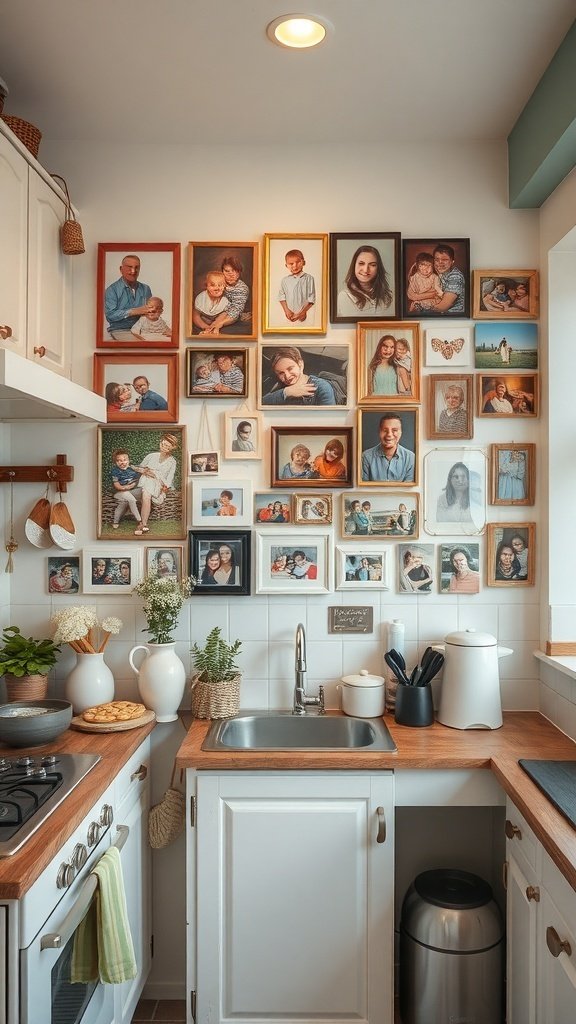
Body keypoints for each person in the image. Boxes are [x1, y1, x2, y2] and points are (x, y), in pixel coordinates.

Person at [131, 432, 179, 536]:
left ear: (172, 447)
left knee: (146, 492)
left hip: (159, 484)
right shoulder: (151, 456)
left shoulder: (172, 462)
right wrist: (145, 471)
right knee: (146, 492)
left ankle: (142, 524)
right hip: (145, 481)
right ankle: (143, 524)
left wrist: (164, 487)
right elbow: (140, 468)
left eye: (167, 446)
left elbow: (169, 479)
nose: (163, 447)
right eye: (162, 444)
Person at [193, 256, 250, 335]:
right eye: (227, 271)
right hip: (210, 309)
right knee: (196, 312)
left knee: (225, 313)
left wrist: (219, 324)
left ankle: (210, 329)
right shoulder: (219, 279)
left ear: (239, 272)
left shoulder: (242, 289)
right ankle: (206, 327)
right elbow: (208, 289)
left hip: (226, 313)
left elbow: (235, 310)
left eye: (234, 271)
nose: (231, 274)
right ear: (222, 271)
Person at [262, 346, 335, 406]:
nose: (287, 376)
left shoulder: (322, 387)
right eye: (281, 373)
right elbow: (260, 403)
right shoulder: (279, 387)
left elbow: (328, 418)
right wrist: (286, 392)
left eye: (290, 368)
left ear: (300, 365)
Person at [105, 254, 152, 340]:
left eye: (136, 267)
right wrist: (133, 311)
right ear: (121, 269)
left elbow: (150, 313)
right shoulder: (112, 289)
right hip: (121, 330)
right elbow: (110, 315)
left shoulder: (146, 288)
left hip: (143, 330)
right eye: (129, 267)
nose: (133, 271)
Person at [337, 245, 393, 317]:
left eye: (372, 265)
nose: (366, 270)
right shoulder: (345, 296)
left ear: (378, 268)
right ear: (354, 265)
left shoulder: (388, 296)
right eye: (361, 263)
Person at [361, 413, 415, 483]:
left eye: (394, 430)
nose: (389, 434)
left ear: (401, 432)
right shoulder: (366, 457)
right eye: (385, 430)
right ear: (379, 432)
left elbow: (409, 491)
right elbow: (363, 490)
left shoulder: (411, 458)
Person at [278, 249, 316, 323]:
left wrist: (300, 314)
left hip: (303, 317)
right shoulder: (285, 280)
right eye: (291, 264)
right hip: (289, 316)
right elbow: (281, 296)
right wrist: (287, 311)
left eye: (298, 262)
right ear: (286, 265)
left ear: (303, 263)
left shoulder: (309, 278)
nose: (295, 266)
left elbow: (311, 299)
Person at [111, 448, 143, 529]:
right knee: (131, 500)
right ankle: (140, 521)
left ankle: (116, 521)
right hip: (119, 492)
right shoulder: (115, 471)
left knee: (124, 503)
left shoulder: (132, 470)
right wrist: (125, 487)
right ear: (116, 462)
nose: (122, 462)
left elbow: (136, 481)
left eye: (125, 460)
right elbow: (116, 485)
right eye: (119, 461)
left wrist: (133, 485)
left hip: (130, 491)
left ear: (128, 460)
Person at [430, 244, 465, 314]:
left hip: (452, 317)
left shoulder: (455, 277)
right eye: (437, 259)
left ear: (452, 261)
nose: (440, 263)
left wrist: (423, 308)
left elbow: (443, 307)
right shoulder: (439, 272)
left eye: (444, 259)